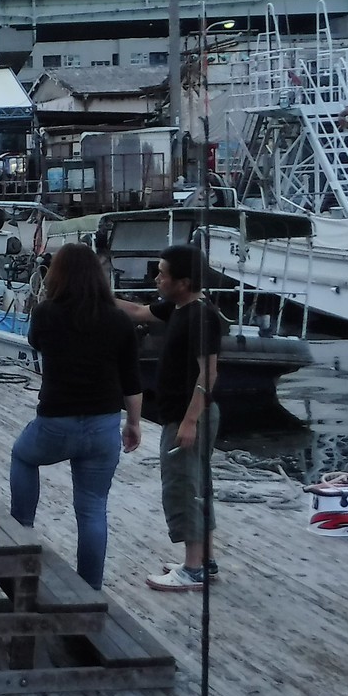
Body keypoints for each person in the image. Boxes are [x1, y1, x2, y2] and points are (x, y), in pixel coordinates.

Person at [7, 242, 143, 589]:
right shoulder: (118, 319)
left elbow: (36, 344)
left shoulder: (47, 313)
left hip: (56, 422)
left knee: (23, 456)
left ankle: (20, 529)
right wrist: (134, 423)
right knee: (93, 508)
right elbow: (131, 380)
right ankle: (90, 590)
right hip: (103, 425)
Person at [117, 243, 223, 592]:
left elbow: (208, 374)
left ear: (185, 281)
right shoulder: (178, 307)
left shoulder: (201, 316)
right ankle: (204, 560)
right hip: (180, 416)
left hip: (188, 417)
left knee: (183, 488)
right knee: (196, 484)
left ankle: (192, 569)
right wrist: (92, 294)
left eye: (163, 274)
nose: (157, 279)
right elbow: (135, 310)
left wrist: (191, 420)